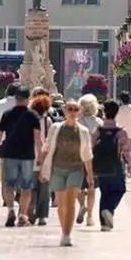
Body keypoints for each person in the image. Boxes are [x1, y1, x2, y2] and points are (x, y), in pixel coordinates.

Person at [39, 99, 94, 247]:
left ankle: (67, 234)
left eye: (75, 109)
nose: (72, 112)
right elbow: (47, 147)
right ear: (64, 110)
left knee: (70, 204)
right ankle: (64, 229)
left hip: (76, 169)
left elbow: (87, 154)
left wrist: (90, 175)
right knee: (61, 205)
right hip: (57, 169)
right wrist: (42, 167)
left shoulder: (83, 131)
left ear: (79, 112)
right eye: (69, 109)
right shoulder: (56, 128)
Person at [0, 87, 43, 227]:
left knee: (9, 184)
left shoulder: (7, 114)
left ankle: (10, 210)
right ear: (28, 99)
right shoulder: (33, 115)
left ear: (16, 98)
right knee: (26, 186)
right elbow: (38, 138)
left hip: (9, 152)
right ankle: (22, 215)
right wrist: (40, 155)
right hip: (27, 154)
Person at [93, 98, 131, 231]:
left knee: (104, 192)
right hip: (116, 165)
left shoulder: (98, 131)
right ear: (117, 113)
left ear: (104, 113)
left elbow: (90, 147)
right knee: (119, 189)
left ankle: (104, 223)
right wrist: (130, 166)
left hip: (101, 167)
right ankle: (109, 210)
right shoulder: (121, 132)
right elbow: (126, 151)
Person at [28, 93, 55, 225]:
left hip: (29, 156)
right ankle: (42, 215)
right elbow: (49, 141)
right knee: (44, 188)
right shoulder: (47, 121)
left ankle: (29, 211)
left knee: (30, 187)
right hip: (44, 157)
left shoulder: (27, 118)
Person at [77, 93, 101, 226]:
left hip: (79, 157)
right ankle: (90, 217)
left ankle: (81, 205)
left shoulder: (77, 122)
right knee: (91, 187)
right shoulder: (99, 122)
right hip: (95, 158)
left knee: (78, 187)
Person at [114, 91, 131, 182]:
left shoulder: (118, 110)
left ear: (121, 100)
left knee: (121, 154)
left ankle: (123, 172)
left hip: (121, 135)